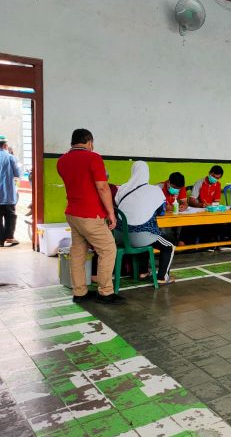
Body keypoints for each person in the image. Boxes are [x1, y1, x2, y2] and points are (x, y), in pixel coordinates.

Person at [57, 129, 122, 305]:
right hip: (91, 215)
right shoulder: (94, 158)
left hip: (72, 213)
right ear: (89, 142)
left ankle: (79, 292)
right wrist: (111, 212)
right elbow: (102, 187)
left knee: (78, 251)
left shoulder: (61, 161)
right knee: (108, 249)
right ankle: (105, 292)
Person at [117, 161, 176, 285]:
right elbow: (161, 212)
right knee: (169, 244)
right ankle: (162, 277)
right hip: (140, 237)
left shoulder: (122, 188)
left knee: (144, 234)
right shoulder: (154, 190)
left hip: (120, 237)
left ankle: (143, 272)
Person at [157, 172, 187, 246]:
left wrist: (184, 206)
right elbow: (154, 206)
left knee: (185, 222)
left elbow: (185, 203)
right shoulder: (158, 188)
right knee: (165, 228)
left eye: (178, 189)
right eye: (174, 188)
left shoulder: (181, 187)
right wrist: (164, 207)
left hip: (176, 216)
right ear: (168, 182)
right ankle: (167, 245)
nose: (176, 190)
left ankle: (179, 245)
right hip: (162, 217)